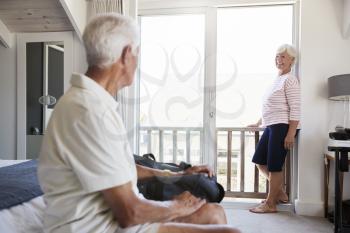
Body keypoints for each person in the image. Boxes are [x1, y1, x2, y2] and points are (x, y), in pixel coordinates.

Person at [38, 13, 240, 233]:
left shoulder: (93, 102)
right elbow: (130, 213)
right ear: (127, 54)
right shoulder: (88, 111)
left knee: (215, 214)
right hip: (99, 228)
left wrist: (176, 174)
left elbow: (121, 169)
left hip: (112, 220)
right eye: (138, 53)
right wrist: (176, 206)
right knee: (230, 230)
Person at [247, 44, 300, 214]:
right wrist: (258, 123)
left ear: (292, 60)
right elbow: (270, 106)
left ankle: (271, 204)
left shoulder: (290, 79)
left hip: (282, 126)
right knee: (260, 161)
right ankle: (280, 192)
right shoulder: (277, 79)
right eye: (277, 56)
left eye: (283, 57)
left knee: (275, 165)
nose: (279, 60)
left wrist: (291, 133)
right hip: (271, 126)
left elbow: (295, 107)